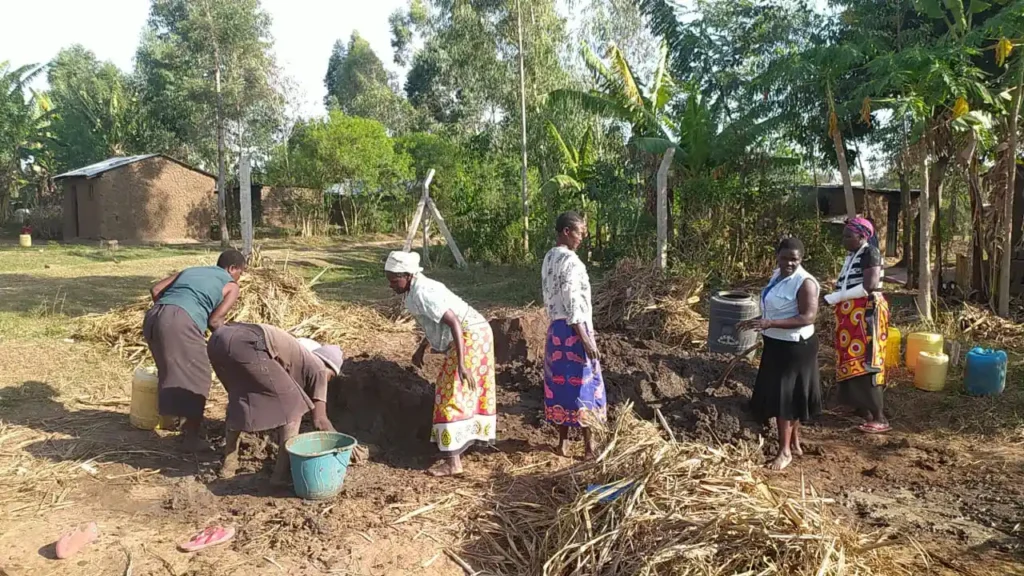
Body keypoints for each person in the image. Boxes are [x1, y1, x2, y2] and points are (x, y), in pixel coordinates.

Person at [384, 251, 496, 477]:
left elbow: (453, 321)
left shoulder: (423, 291)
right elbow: (433, 322)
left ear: (407, 275)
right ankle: (461, 444)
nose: (391, 285)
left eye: (394, 280)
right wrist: (421, 347)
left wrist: (462, 364)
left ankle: (453, 463)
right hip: (473, 333)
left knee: (448, 393)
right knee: (459, 390)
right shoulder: (414, 290)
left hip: (470, 335)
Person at [207, 323, 342, 484]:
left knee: (240, 398)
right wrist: (343, 446)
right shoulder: (319, 368)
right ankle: (280, 476)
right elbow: (320, 421)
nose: (328, 381)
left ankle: (229, 465)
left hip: (217, 340)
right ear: (328, 366)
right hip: (248, 342)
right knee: (294, 407)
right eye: (331, 377)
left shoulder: (294, 358)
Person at [143, 250, 245, 451]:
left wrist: (169, 314)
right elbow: (215, 321)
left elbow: (155, 289)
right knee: (200, 376)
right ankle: (190, 438)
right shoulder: (231, 285)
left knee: (171, 369)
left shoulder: (192, 270)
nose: (239, 277)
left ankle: (174, 419)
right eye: (240, 272)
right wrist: (227, 341)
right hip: (180, 321)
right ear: (232, 268)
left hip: (153, 318)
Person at [739, 238, 820, 471]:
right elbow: (775, 307)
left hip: (795, 348)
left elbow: (807, 317)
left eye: (794, 259)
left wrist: (769, 323)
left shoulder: (805, 283)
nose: (788, 263)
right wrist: (757, 321)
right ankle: (794, 443)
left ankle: (784, 452)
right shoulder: (777, 276)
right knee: (786, 395)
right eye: (784, 258)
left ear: (801, 259)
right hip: (776, 344)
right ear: (777, 256)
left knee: (786, 400)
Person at [542, 211, 606, 459]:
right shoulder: (572, 262)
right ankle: (589, 448)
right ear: (566, 232)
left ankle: (562, 444)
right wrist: (586, 339)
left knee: (561, 388)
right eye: (579, 232)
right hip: (574, 331)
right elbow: (573, 302)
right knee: (585, 387)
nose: (581, 238)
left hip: (556, 330)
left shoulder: (549, 258)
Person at [824, 217, 890, 434]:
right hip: (851, 313)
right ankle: (862, 408)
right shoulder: (853, 255)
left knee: (866, 361)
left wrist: (835, 297)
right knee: (850, 359)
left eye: (848, 236)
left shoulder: (870, 252)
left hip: (866, 313)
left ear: (863, 236)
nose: (843, 240)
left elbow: (869, 286)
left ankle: (879, 417)